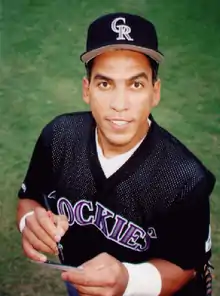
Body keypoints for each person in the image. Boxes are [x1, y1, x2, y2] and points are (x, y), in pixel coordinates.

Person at [16, 12, 216, 296]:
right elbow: (29, 198)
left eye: (135, 84)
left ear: (154, 92)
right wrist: (30, 222)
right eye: (105, 84)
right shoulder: (59, 137)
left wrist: (128, 280)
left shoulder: (184, 178)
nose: (119, 104)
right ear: (87, 90)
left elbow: (186, 267)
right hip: (81, 281)